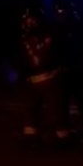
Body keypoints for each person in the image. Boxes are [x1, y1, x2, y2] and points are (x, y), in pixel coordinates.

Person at [20, 10, 69, 141]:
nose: (29, 22)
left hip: (48, 78)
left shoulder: (46, 35)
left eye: (31, 19)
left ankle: (61, 135)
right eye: (27, 20)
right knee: (33, 110)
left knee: (55, 110)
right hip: (38, 80)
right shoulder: (26, 38)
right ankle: (33, 134)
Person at [53, 3, 83, 140]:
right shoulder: (68, 27)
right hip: (69, 70)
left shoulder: (73, 28)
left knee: (80, 101)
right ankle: (73, 128)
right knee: (71, 101)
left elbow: (81, 48)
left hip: (74, 70)